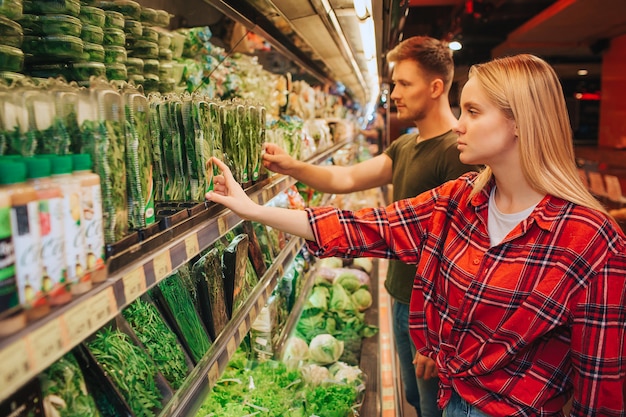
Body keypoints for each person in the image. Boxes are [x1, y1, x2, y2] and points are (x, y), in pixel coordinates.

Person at [206, 53, 626, 416]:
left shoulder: (589, 240)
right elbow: (370, 226)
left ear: (520, 121)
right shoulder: (461, 200)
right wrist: (253, 210)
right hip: (451, 400)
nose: (459, 125)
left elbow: (600, 386)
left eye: (473, 112)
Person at [262, 35, 479, 417]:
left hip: (430, 311)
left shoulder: (456, 154)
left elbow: (462, 253)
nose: (394, 92)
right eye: (394, 83)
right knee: (414, 397)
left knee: (433, 407)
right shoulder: (406, 146)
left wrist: (435, 337)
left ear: (436, 87)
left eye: (404, 83)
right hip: (398, 293)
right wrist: (293, 166)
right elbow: (346, 179)